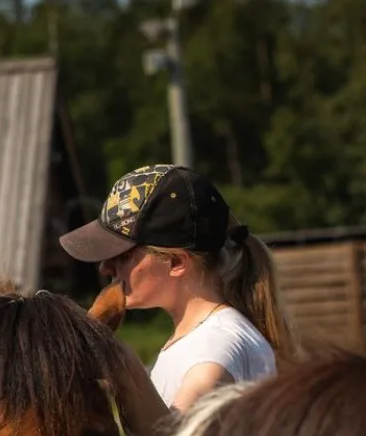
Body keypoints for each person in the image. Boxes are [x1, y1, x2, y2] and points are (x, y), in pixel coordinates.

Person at [59, 164, 296, 412]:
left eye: (121, 255)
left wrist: (123, 369)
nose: (105, 269)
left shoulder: (215, 346)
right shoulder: (199, 338)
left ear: (175, 263)